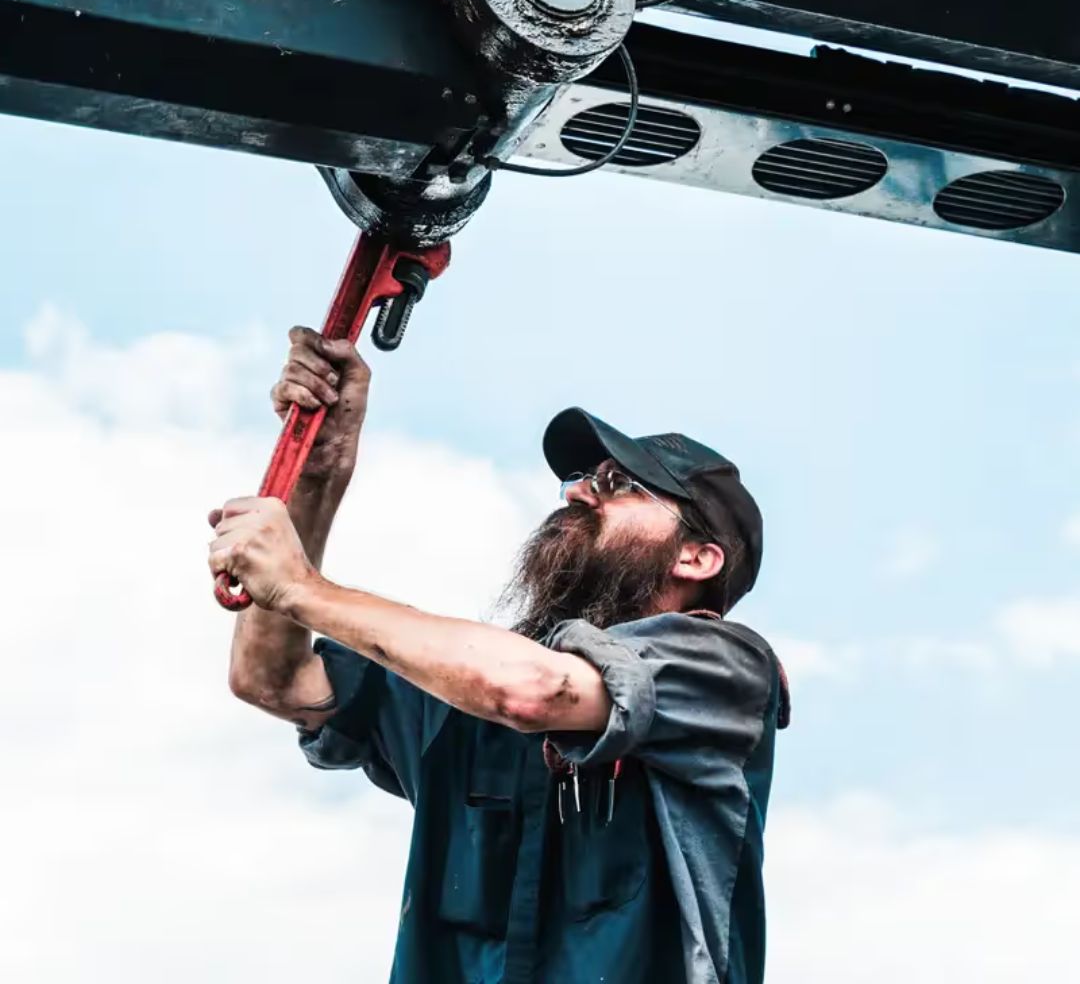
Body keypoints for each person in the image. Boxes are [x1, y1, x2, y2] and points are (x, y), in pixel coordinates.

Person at [210, 326, 790, 984]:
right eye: (582, 478)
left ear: (697, 557)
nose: (576, 493)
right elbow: (273, 680)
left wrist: (301, 588)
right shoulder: (466, 691)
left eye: (617, 483)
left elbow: (535, 691)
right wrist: (315, 479)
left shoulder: (723, 671)